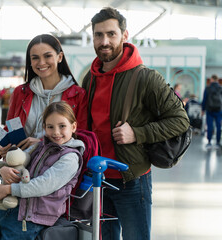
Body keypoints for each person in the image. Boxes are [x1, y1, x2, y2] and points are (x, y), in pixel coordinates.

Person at [82, 7, 190, 240]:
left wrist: (137, 133)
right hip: (98, 180)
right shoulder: (90, 78)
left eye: (111, 34)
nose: (105, 41)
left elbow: (180, 120)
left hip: (131, 180)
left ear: (124, 35)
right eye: (99, 35)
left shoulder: (146, 77)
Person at [0, 101, 85, 240]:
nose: (56, 132)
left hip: (31, 218)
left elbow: (44, 184)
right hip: (9, 210)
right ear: (44, 127)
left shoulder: (70, 158)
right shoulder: (39, 147)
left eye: (62, 126)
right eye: (50, 127)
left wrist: (9, 190)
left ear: (73, 126)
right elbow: (16, 163)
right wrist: (4, 170)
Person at [0, 34, 87, 169]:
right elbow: (10, 128)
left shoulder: (77, 95)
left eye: (47, 56)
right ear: (30, 62)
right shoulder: (20, 92)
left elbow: (81, 136)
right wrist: (0, 149)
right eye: (35, 58)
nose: (41, 62)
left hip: (57, 168)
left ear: (59, 57)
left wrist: (41, 143)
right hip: (21, 166)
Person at [202, 74, 222, 148]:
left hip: (209, 110)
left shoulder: (208, 88)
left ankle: (209, 142)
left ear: (212, 79)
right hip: (219, 110)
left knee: (210, 126)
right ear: (217, 80)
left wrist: (203, 109)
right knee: (218, 126)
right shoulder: (220, 88)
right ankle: (217, 143)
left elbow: (204, 99)